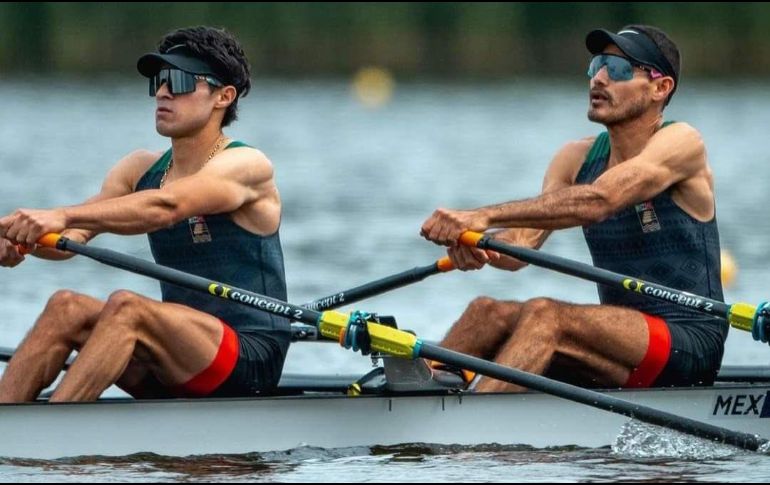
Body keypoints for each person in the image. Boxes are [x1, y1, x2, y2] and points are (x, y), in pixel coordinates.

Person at [421, 25, 726, 392]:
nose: (598, 78)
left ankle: (470, 434)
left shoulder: (682, 142)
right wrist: (481, 243)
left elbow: (600, 201)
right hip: (616, 345)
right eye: (597, 65)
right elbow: (521, 246)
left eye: (619, 70)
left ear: (661, 88)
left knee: (546, 316)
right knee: (485, 312)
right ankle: (415, 402)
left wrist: (482, 214)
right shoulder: (574, 158)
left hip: (688, 342)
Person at [0, 26, 291, 401]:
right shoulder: (139, 169)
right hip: (173, 353)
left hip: (249, 358)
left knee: (127, 307)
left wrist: (61, 216)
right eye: (159, 81)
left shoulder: (247, 165)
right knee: (65, 307)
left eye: (181, 80)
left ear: (223, 96)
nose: (164, 92)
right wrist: (22, 241)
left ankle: (53, 434)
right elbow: (72, 240)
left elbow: (165, 206)